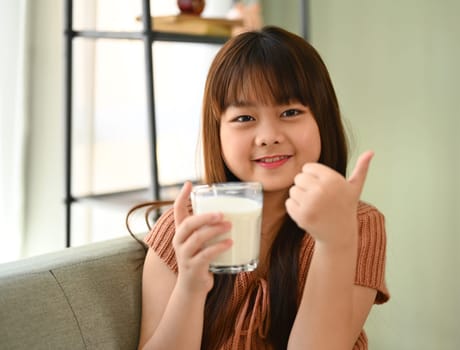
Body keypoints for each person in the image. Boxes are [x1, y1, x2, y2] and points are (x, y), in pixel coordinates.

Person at [134, 25, 389, 350]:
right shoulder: (182, 227)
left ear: (322, 120)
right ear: (218, 132)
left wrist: (336, 242)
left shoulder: (358, 224)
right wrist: (191, 285)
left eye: (291, 112)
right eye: (244, 118)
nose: (268, 135)